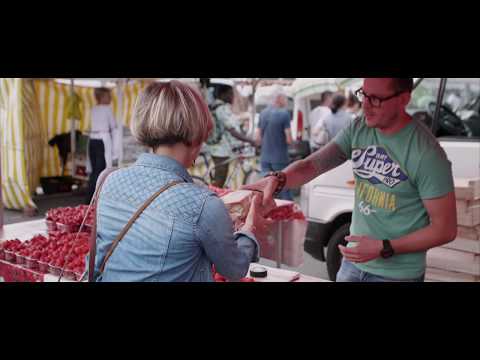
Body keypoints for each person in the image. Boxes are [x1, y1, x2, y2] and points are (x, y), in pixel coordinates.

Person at [244, 78, 457, 282]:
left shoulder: (427, 154)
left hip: (398, 274)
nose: (365, 106)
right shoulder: (360, 128)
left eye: (375, 99)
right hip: (352, 265)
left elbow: (445, 229)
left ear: (404, 99)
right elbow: (313, 165)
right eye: (364, 95)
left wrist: (385, 246)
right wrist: (279, 179)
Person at [90, 81, 267, 282]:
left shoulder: (108, 180)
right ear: (197, 136)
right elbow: (235, 270)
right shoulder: (204, 205)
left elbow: (99, 256)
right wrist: (247, 231)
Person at [207, 84, 256, 188]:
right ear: (223, 95)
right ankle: (213, 199)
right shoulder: (222, 109)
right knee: (219, 181)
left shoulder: (214, 106)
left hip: (216, 148)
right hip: (220, 150)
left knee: (221, 178)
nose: (232, 97)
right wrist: (251, 141)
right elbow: (232, 130)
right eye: (230, 94)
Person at [255, 91, 293, 201]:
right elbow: (289, 139)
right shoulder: (284, 114)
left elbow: (258, 137)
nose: (286, 102)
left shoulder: (263, 113)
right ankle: (288, 213)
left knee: (267, 187)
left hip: (265, 158)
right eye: (285, 99)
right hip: (280, 158)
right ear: (279, 99)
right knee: (284, 186)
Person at [86, 88, 117, 204]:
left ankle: (89, 197)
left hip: (93, 141)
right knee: (100, 172)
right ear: (102, 97)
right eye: (109, 96)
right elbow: (113, 125)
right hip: (101, 142)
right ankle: (95, 199)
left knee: (94, 171)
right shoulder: (107, 109)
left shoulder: (93, 109)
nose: (111, 99)